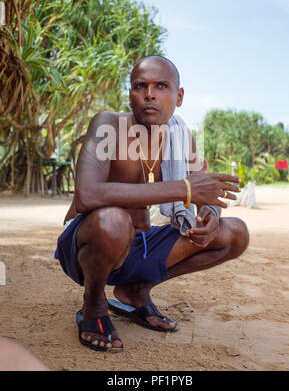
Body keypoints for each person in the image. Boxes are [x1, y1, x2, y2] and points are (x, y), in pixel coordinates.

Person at [54, 55, 249, 352]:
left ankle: (136, 289)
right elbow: (87, 195)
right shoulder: (108, 125)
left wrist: (209, 213)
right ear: (130, 94)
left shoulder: (181, 136)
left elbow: (202, 190)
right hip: (91, 245)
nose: (150, 94)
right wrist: (182, 188)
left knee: (234, 233)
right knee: (114, 220)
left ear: (179, 96)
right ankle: (94, 302)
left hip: (140, 246)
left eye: (161, 86)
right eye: (140, 86)